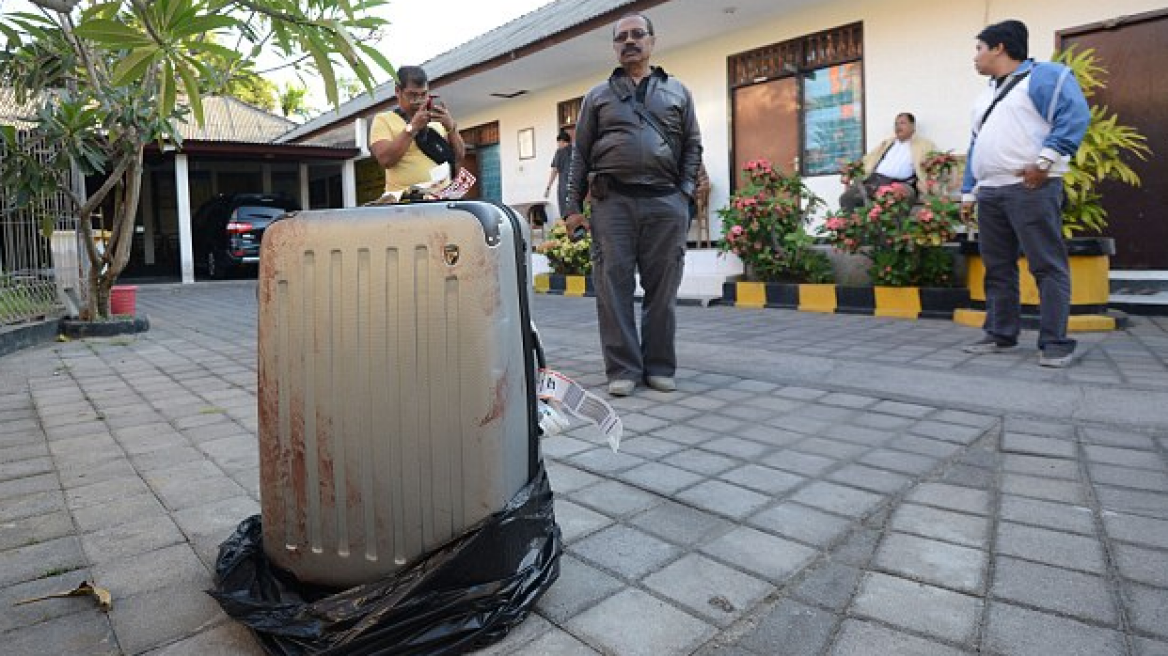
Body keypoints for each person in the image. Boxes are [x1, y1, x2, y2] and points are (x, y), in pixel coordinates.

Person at [563, 12, 703, 397]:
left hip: (665, 202)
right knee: (613, 290)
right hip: (613, 205)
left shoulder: (678, 91)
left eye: (637, 34)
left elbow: (693, 145)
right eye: (621, 37)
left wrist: (684, 193)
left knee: (663, 292)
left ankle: (659, 366)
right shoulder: (597, 96)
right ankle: (623, 369)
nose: (629, 41)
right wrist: (572, 207)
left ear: (652, 41)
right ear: (614, 47)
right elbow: (581, 154)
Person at [959, 19, 1090, 368]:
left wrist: (1045, 161)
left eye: (979, 48)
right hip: (991, 191)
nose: (975, 57)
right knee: (998, 267)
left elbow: (1074, 115)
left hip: (1031, 186)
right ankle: (1001, 334)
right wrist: (969, 192)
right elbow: (977, 144)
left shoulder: (1045, 76)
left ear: (999, 47)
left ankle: (1055, 342)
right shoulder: (986, 93)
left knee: (1046, 265)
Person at [369, 65, 466, 197]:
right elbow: (386, 160)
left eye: (424, 94)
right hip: (405, 203)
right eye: (412, 95)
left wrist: (451, 128)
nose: (419, 101)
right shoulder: (383, 120)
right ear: (398, 91)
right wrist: (412, 128)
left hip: (440, 200)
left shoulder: (435, 121)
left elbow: (458, 156)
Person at [839, 113, 935, 212]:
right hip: (875, 182)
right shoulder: (887, 144)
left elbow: (934, 163)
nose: (898, 127)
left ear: (913, 126)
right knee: (847, 198)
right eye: (896, 124)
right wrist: (850, 168)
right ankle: (856, 226)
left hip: (902, 184)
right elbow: (867, 160)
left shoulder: (924, 145)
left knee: (897, 200)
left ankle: (895, 227)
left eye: (902, 123)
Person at [545, 131, 572, 214]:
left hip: (564, 187)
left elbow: (554, 170)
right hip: (577, 186)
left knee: (565, 213)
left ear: (562, 141)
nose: (558, 145)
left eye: (558, 142)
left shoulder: (560, 152)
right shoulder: (577, 150)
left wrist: (548, 187)